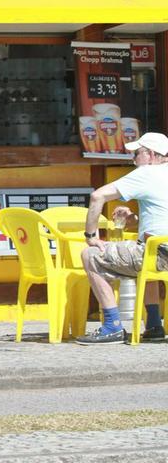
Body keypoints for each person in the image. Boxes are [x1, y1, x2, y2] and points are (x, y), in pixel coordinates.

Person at [76, 132, 168, 345]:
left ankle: (112, 326)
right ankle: (154, 324)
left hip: (160, 254)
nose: (133, 159)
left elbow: (97, 196)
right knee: (145, 256)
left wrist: (91, 236)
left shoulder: (147, 172)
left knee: (90, 255)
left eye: (137, 154)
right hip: (160, 251)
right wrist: (132, 219)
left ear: (152, 155)